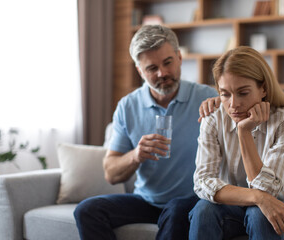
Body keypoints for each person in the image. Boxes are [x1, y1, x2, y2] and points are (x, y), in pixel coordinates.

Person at [73, 25, 218, 240]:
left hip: (191, 199)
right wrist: (136, 155)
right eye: (151, 68)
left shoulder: (208, 98)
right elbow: (110, 173)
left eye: (168, 62)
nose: (163, 73)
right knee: (86, 210)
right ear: (140, 71)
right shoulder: (127, 106)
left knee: (177, 209)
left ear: (179, 57)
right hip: (146, 201)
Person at [189, 46, 284, 240]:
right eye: (225, 94)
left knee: (259, 215)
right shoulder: (213, 118)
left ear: (263, 88)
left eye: (243, 93)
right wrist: (257, 198)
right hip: (241, 205)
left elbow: (266, 189)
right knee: (203, 210)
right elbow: (202, 182)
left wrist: (244, 131)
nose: (233, 104)